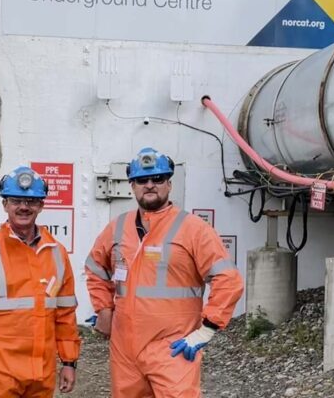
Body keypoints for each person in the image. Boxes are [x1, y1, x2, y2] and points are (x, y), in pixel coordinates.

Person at [86, 148, 243, 398]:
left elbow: (229, 280)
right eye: (142, 180)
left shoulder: (194, 229)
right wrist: (104, 311)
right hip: (125, 349)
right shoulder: (117, 228)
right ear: (132, 186)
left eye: (158, 179)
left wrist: (206, 330)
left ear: (169, 184)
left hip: (172, 348)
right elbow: (95, 269)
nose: (150, 185)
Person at [0, 166, 80, 397]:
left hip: (41, 374)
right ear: (5, 205)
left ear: (41, 205)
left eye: (31, 201)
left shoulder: (57, 254)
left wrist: (69, 362)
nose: (23, 207)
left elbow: (65, 314)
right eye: (16, 200)